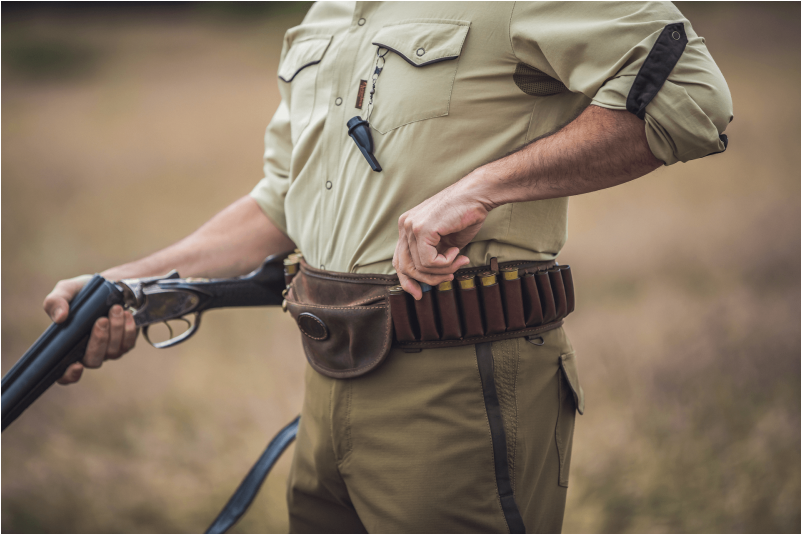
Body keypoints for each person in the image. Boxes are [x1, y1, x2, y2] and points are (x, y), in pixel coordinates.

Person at [43, 2, 732, 532]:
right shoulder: (328, 15)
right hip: (327, 383)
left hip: (462, 382)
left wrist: (481, 187)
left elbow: (691, 101)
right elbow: (284, 201)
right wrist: (126, 283)